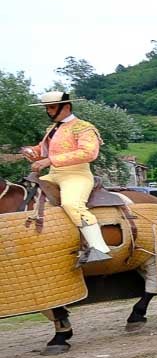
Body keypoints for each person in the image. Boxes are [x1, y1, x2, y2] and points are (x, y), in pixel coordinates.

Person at [21, 91, 110, 263]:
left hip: (76, 175)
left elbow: (89, 153)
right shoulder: (52, 129)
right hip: (54, 175)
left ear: (66, 107)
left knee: (72, 204)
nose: (48, 111)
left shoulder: (84, 127)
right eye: (47, 108)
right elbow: (42, 149)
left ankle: (99, 248)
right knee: (27, 195)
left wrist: (49, 160)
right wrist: (31, 151)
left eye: (52, 107)